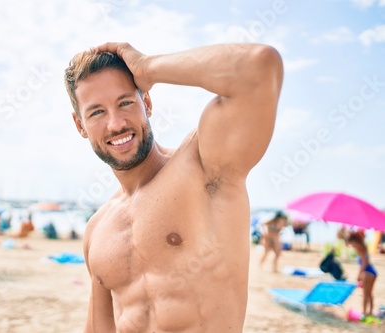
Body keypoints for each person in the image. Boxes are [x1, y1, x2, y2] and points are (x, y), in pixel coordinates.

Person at [64, 42, 283, 332]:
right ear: (80, 126)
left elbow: (259, 66)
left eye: (126, 102)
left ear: (148, 104)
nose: (116, 124)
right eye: (97, 113)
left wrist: (147, 68)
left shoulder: (203, 167)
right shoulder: (97, 230)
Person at [347, 230, 377, 316]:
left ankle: (364, 312)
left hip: (367, 272)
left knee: (365, 294)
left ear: (354, 241)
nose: (351, 246)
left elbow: (364, 263)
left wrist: (359, 275)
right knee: (369, 293)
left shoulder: (359, 248)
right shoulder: (364, 246)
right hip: (372, 271)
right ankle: (370, 312)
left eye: (352, 243)